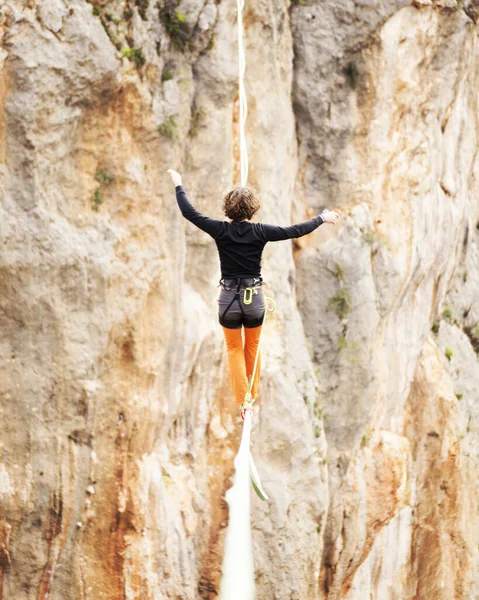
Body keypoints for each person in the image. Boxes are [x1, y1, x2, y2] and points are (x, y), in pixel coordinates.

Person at [167, 169, 339, 419]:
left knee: (234, 348)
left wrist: (179, 184)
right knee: (252, 347)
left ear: (227, 209)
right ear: (253, 209)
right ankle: (252, 395)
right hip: (254, 298)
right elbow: (295, 231)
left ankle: (243, 402)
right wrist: (322, 218)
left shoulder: (220, 230)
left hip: (228, 300)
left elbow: (189, 213)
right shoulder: (261, 231)